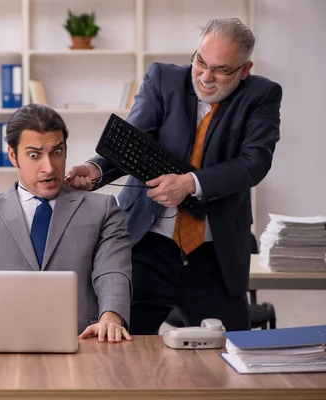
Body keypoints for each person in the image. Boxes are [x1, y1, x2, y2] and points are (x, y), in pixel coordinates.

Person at [65, 17, 282, 334]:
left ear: (244, 70)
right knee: (115, 350)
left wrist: (190, 184)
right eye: (200, 62)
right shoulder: (163, 79)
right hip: (146, 246)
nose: (206, 77)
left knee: (232, 360)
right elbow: (135, 142)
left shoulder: (262, 95)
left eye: (220, 70)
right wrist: (96, 169)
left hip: (215, 257)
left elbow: (255, 161)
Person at [0, 103, 133, 343]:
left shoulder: (103, 209)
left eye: (56, 152)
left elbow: (113, 272)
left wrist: (111, 316)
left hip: (83, 344)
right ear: (12, 156)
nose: (49, 167)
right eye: (34, 155)